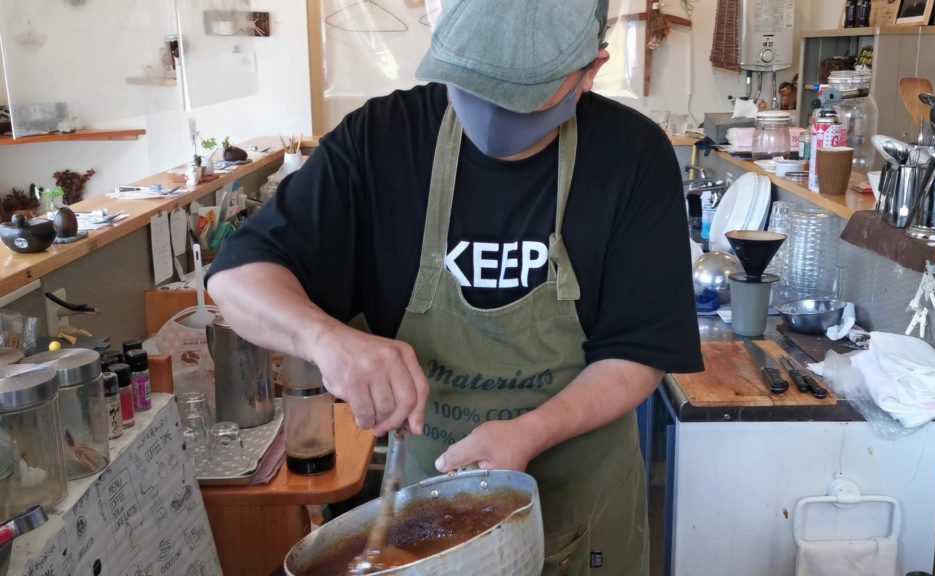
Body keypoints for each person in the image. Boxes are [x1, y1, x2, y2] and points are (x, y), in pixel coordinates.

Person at [207, 0, 702, 572]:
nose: (492, 112)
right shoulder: (380, 140)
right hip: (429, 508)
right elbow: (237, 279)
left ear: (590, 72)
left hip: (584, 511)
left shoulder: (632, 156)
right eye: (471, 85)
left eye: (521, 96)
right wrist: (325, 339)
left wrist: (531, 432)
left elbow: (639, 353)